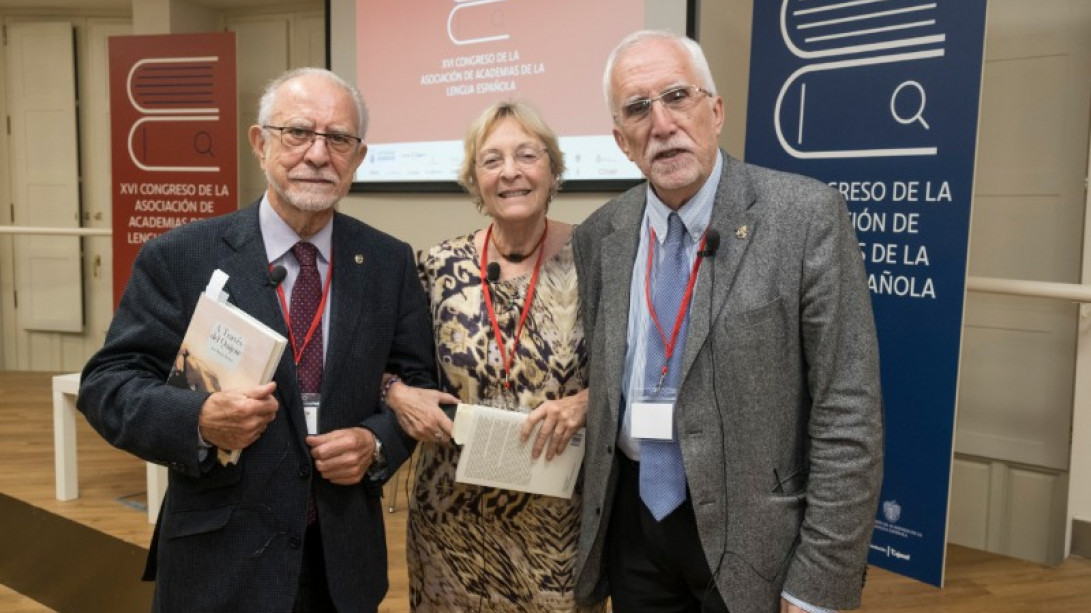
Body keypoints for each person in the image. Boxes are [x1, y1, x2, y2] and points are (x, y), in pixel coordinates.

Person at [77, 67, 436, 613]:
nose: (318, 154)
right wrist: (198, 420)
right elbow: (107, 386)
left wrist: (378, 443)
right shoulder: (180, 257)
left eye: (338, 139)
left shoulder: (388, 262)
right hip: (219, 559)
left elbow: (417, 383)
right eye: (297, 132)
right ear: (259, 143)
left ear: (358, 159)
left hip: (340, 561)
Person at [572, 31, 884, 613]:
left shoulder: (804, 217)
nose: (662, 124)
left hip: (757, 541)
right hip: (636, 526)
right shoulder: (601, 236)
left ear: (715, 111)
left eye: (677, 96)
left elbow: (849, 410)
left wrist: (820, 582)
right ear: (621, 140)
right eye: (638, 109)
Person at [382, 100, 604, 612]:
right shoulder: (436, 266)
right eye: (492, 160)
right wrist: (396, 394)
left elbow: (638, 365)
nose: (511, 172)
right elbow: (385, 362)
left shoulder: (597, 259)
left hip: (556, 521)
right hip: (451, 518)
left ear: (552, 168)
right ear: (474, 178)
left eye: (527, 155)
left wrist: (588, 401)